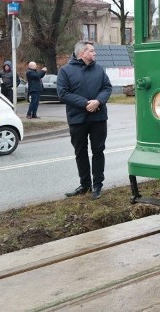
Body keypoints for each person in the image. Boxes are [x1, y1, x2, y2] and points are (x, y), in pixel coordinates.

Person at [57, 41, 112, 200]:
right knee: (80, 152)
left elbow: (107, 88)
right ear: (82, 53)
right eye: (92, 51)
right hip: (77, 119)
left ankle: (98, 185)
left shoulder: (99, 69)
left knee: (98, 151)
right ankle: (85, 184)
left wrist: (98, 101)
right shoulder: (65, 71)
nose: (95, 54)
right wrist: (85, 103)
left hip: (98, 118)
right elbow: (63, 94)